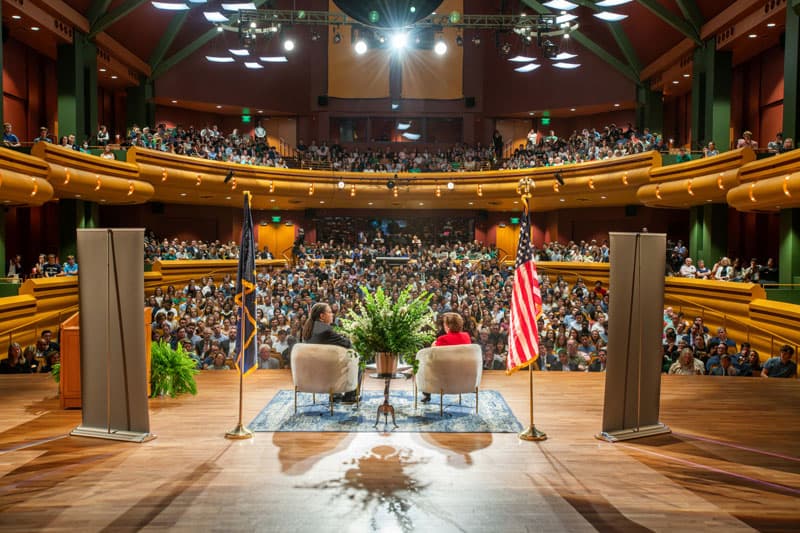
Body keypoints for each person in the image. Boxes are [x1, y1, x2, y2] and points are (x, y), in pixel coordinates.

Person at [301, 302, 357, 401]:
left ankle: (336, 394)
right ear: (322, 316)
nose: (332, 314)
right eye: (330, 312)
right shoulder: (326, 329)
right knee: (355, 358)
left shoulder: (308, 328)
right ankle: (350, 396)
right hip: (328, 371)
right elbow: (347, 344)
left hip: (312, 371)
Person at [421, 312, 472, 403]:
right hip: (464, 378)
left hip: (443, 380)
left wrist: (433, 344)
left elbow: (433, 356)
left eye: (444, 323)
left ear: (448, 325)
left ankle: (427, 393)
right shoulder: (466, 336)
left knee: (425, 363)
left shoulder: (442, 339)